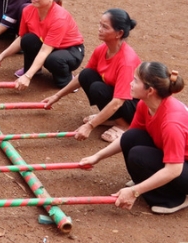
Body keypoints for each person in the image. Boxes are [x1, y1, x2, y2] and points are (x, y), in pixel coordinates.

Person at [80, 62, 188, 214]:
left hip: (181, 169)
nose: (130, 83)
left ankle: (174, 199)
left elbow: (174, 170)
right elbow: (128, 137)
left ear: (150, 90)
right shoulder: (145, 105)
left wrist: (134, 191)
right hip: (178, 161)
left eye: (135, 81)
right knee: (131, 137)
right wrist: (97, 157)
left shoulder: (172, 122)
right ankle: (145, 182)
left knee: (139, 155)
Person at [43, 9, 140, 143]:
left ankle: (124, 125)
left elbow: (118, 101)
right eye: (100, 24)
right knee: (87, 75)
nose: (99, 29)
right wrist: (57, 96)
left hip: (135, 107)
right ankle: (111, 118)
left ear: (119, 33)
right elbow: (82, 77)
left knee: (98, 88)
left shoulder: (126, 61)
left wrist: (90, 126)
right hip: (117, 97)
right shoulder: (102, 49)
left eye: (105, 27)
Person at [0, 0, 85, 90]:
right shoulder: (28, 10)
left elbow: (45, 50)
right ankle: (33, 70)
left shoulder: (59, 18)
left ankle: (67, 80)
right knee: (28, 39)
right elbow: (21, 38)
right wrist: (1, 56)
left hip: (70, 50)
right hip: (48, 45)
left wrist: (27, 77)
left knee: (53, 60)